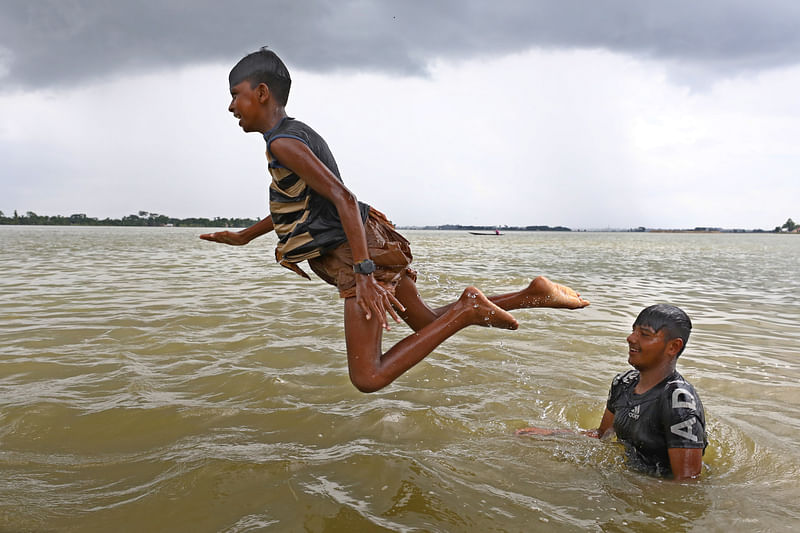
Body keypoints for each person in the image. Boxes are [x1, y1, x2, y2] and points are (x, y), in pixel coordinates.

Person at [200, 47, 590, 393]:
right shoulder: (292, 135)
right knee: (425, 322)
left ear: (262, 93)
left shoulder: (283, 143)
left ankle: (469, 307)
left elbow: (342, 198)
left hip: (355, 254)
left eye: (236, 95)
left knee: (368, 376)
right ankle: (533, 294)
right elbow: (300, 205)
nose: (232, 106)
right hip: (366, 242)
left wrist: (365, 275)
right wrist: (246, 236)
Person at [516, 304, 707, 480]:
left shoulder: (678, 402)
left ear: (673, 346)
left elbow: (686, 484)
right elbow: (602, 435)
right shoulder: (623, 383)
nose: (631, 338)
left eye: (645, 334)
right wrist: (548, 434)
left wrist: (623, 480)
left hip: (649, 492)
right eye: (633, 331)